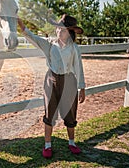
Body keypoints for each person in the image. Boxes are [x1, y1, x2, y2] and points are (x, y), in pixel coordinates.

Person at [18, 14, 86, 158]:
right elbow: (34, 38)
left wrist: (82, 88)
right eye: (58, 29)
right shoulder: (49, 44)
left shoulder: (74, 48)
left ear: (70, 32)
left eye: (62, 30)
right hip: (51, 80)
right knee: (50, 111)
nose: (58, 32)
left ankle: (72, 143)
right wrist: (22, 27)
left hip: (69, 82)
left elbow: (78, 67)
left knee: (70, 113)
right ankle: (47, 145)